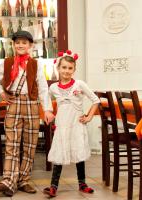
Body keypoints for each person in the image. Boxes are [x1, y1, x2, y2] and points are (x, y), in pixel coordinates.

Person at [0, 30, 55, 197]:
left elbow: (43, 87)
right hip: (14, 104)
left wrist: (47, 109)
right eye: (17, 42)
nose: (20, 45)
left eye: (24, 43)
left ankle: (23, 180)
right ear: (13, 45)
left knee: (30, 144)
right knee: (11, 144)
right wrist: (0, 93)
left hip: (32, 105)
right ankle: (8, 181)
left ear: (30, 46)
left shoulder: (36, 64)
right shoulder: (6, 63)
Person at [43, 50, 100, 197]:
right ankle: (53, 186)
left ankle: (82, 183)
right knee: (59, 152)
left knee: (78, 150)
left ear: (74, 70)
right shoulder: (53, 87)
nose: (67, 71)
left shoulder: (79, 84)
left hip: (76, 123)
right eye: (64, 67)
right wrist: (48, 111)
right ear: (58, 68)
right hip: (62, 125)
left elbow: (96, 100)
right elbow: (45, 99)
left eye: (70, 68)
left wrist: (88, 117)